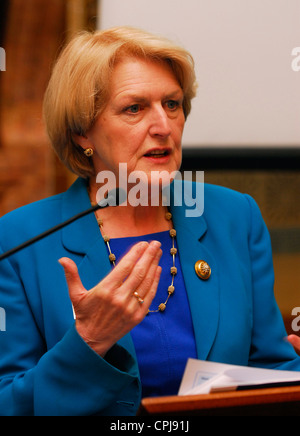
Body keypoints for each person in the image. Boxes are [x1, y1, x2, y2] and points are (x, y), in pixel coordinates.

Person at [0, 26, 299, 416]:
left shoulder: (234, 217)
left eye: (172, 105)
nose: (163, 127)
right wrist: (88, 342)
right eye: (134, 108)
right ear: (81, 133)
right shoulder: (22, 239)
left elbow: (272, 367)